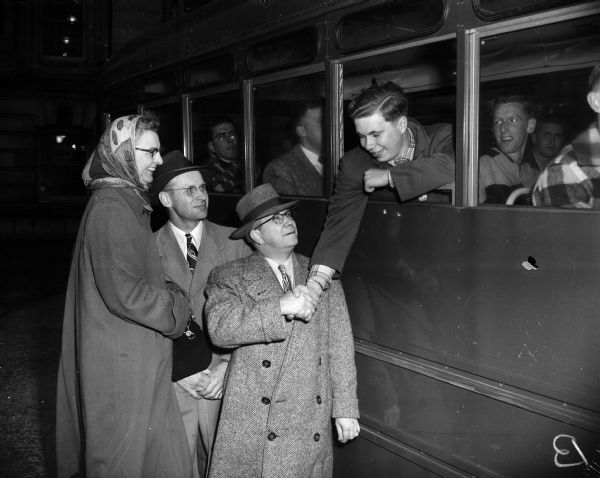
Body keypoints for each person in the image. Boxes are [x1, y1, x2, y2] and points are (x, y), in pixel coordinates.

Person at [56, 115, 193, 478]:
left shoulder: (123, 199)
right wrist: (177, 310)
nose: (159, 160)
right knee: (126, 461)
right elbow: (125, 293)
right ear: (124, 154)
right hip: (123, 365)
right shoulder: (112, 206)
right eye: (151, 151)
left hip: (135, 358)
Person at [204, 183, 360, 478]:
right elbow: (220, 329)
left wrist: (346, 408)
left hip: (308, 419)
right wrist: (280, 307)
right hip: (254, 424)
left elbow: (339, 347)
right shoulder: (229, 276)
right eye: (275, 219)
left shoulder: (322, 275)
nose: (287, 221)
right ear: (256, 234)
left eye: (288, 215)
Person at [304, 80, 455, 295]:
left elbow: (453, 164)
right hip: (394, 270)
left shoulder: (443, 137)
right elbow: (339, 223)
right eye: (361, 136)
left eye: (375, 134)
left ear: (401, 124)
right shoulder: (355, 163)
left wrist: (389, 176)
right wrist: (316, 283)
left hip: (449, 263)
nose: (368, 145)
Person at [152, 150, 251, 478]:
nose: (201, 195)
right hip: (174, 378)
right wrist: (179, 369)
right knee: (177, 464)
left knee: (224, 463)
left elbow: (252, 311)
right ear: (166, 198)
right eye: (189, 190)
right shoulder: (147, 250)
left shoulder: (235, 243)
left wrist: (226, 366)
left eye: (203, 188)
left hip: (223, 376)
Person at [533, 64, 600, 208]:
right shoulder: (565, 169)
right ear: (596, 102)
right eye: (546, 134)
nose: (552, 140)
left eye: (557, 135)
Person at [479, 95, 539, 204]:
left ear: (530, 126)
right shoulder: (480, 167)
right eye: (498, 122)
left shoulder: (535, 175)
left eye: (512, 120)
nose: (503, 129)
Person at [262, 99, 324, 196]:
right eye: (321, 121)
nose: (331, 125)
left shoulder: (342, 160)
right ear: (302, 131)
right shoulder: (279, 169)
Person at [202, 116, 242, 193]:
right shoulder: (206, 172)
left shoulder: (249, 165)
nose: (229, 140)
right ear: (212, 146)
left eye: (232, 135)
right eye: (221, 137)